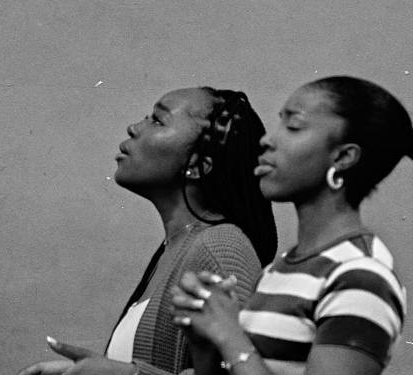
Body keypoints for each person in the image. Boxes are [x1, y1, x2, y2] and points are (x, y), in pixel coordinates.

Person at [171, 76, 413, 375]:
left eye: (294, 126)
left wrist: (228, 335)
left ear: (343, 156)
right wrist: (206, 341)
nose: (267, 140)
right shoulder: (280, 270)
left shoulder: (360, 276)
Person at [17, 87, 277, 375]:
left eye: (157, 120)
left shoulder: (220, 246)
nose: (134, 128)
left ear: (199, 165)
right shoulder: (177, 247)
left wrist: (127, 374)